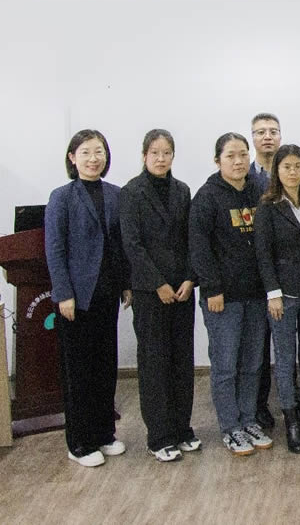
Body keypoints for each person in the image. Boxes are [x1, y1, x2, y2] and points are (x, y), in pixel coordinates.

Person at [45, 129, 131, 467]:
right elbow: (54, 249)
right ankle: (79, 443)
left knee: (104, 367)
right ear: (72, 157)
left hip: (107, 293)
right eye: (86, 152)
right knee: (78, 371)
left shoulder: (116, 194)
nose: (94, 158)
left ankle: (104, 434)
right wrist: (63, 293)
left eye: (99, 152)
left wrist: (125, 283)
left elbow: (121, 245)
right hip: (76, 298)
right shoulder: (61, 197)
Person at [189, 132, 272, 456]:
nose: (238, 162)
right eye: (230, 156)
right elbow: (199, 248)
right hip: (223, 297)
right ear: (218, 161)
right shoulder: (207, 196)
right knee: (226, 366)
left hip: (257, 294)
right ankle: (230, 427)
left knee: (252, 363)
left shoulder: (259, 190)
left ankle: (249, 419)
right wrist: (212, 288)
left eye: (242, 155)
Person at [120, 129, 198, 462]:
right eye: (155, 152)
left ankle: (182, 429)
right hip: (150, 293)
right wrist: (158, 284)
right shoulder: (131, 192)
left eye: (166, 153)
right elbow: (132, 245)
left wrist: (190, 279)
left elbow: (192, 239)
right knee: (155, 363)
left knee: (182, 360)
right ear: (144, 156)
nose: (161, 158)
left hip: (182, 290)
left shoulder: (183, 190)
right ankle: (160, 436)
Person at [254, 144, 300, 454]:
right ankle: (292, 423)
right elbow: (263, 254)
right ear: (277, 171)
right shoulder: (268, 206)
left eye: (298, 166)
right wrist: (273, 293)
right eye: (286, 167)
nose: (293, 172)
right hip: (283, 296)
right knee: (284, 360)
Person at [249, 112, 281, 430]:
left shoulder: (291, 171)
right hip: (253, 278)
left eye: (273, 131)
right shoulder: (243, 176)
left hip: (287, 275)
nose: (267, 136)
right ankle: (258, 406)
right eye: (260, 132)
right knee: (257, 348)